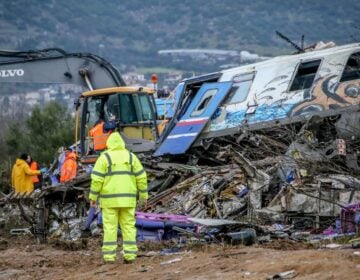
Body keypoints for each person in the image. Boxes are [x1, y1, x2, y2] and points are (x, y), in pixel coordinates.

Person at [89, 132, 148, 264]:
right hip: (128, 200)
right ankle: (130, 256)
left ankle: (109, 257)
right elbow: (142, 178)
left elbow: (97, 179)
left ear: (109, 143)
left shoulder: (104, 158)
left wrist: (93, 197)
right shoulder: (132, 157)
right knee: (128, 227)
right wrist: (143, 196)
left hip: (109, 201)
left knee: (110, 228)